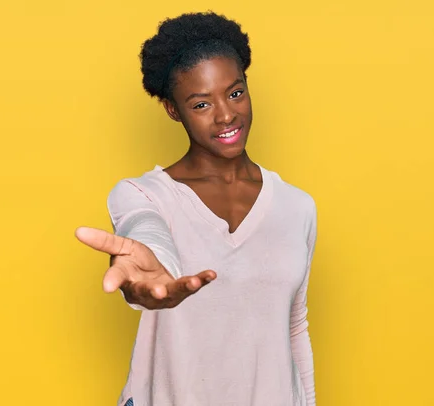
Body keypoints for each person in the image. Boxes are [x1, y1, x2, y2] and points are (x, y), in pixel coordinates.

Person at [75, 11, 318, 406]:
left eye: (235, 93)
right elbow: (146, 233)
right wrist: (147, 275)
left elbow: (294, 327)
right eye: (201, 104)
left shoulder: (297, 207)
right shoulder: (143, 195)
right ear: (174, 110)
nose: (226, 115)